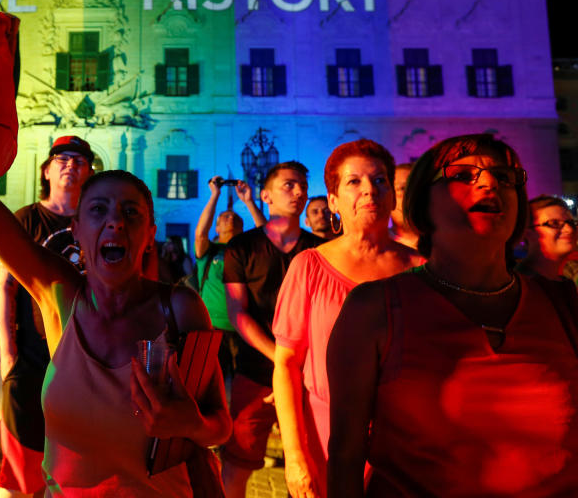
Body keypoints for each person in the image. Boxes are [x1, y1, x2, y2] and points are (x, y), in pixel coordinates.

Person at [327, 133, 578, 497]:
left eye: (505, 177)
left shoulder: (562, 304)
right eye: (463, 175)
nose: (490, 183)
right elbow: (345, 458)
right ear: (423, 203)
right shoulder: (374, 310)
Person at [0, 169, 230, 496]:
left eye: (130, 212)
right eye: (98, 209)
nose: (115, 222)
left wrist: (192, 424)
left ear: (150, 234)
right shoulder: (60, 296)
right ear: (76, 230)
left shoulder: (180, 308)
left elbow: (221, 426)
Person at [272, 140, 422, 498]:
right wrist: (294, 456)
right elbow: (287, 365)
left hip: (405, 445)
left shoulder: (421, 270)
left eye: (380, 180)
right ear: (334, 200)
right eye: (354, 182)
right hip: (327, 440)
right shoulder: (308, 267)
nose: (370, 189)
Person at [0, 135, 94, 497]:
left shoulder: (95, 222)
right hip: (33, 360)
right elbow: (4, 287)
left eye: (80, 161)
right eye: (62, 159)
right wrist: (7, 354)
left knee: (73, 463)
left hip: (84, 363)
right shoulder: (27, 219)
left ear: (90, 172)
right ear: (46, 171)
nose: (71, 165)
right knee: (18, 467)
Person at [221, 161, 323, 496]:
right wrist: (282, 359)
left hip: (310, 375)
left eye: (302, 186)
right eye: (289, 185)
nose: (299, 192)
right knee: (237, 465)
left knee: (310, 465)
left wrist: (296, 364)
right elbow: (238, 313)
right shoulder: (243, 247)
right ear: (265, 195)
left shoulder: (319, 250)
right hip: (255, 371)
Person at [194, 176, 266, 383]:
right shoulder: (210, 251)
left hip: (244, 328)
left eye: (235, 217)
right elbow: (200, 234)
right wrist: (214, 196)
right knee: (207, 383)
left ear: (243, 229)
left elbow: (266, 235)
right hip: (211, 328)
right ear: (216, 228)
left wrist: (249, 202)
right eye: (224, 217)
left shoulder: (248, 251)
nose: (231, 218)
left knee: (243, 385)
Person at [517, 194, 578, 282]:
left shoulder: (568, 283)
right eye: (554, 223)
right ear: (527, 233)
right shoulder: (520, 286)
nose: (569, 229)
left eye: (571, 222)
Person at [389, 162, 419, 249]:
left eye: (417, 190)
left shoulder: (446, 243)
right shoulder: (377, 246)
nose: (411, 197)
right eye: (402, 188)